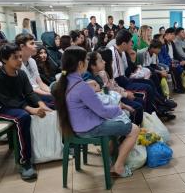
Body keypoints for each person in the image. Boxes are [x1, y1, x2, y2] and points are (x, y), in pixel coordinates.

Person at [53, 46, 139, 178]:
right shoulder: (81, 86)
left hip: (78, 125)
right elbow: (103, 111)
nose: (87, 63)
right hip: (88, 128)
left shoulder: (65, 82)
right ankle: (118, 167)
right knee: (134, 130)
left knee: (117, 120)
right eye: (86, 60)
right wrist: (118, 109)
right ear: (81, 64)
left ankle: (110, 155)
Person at [0, 43, 52, 180]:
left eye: (19, 57)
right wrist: (32, 109)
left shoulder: (21, 74)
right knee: (23, 117)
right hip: (1, 108)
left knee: (52, 105)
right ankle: (25, 161)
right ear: (5, 60)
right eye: (15, 58)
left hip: (18, 104)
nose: (19, 60)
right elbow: (7, 101)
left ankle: (62, 144)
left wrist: (41, 105)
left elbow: (29, 93)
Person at [85, 49, 144, 125]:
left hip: (114, 98)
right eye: (101, 60)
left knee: (138, 103)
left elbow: (107, 92)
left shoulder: (99, 75)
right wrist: (124, 103)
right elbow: (104, 98)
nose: (104, 62)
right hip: (108, 105)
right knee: (137, 107)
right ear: (93, 66)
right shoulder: (91, 80)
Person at [15, 33, 54, 107]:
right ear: (22, 46)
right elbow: (29, 89)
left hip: (38, 92)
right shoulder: (17, 64)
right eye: (32, 44)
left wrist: (51, 91)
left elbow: (40, 83)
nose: (35, 46)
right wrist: (49, 94)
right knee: (57, 103)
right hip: (28, 97)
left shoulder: (32, 61)